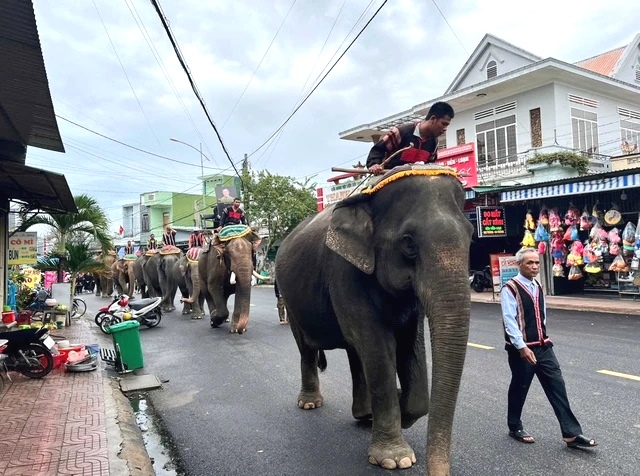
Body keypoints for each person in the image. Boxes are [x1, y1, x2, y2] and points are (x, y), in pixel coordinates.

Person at [500, 248, 597, 448]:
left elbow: (540, 315)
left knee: (557, 386)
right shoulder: (510, 288)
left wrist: (542, 335)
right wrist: (521, 347)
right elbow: (509, 321)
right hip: (522, 350)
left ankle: (571, 433)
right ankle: (514, 426)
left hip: (544, 346)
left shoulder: (538, 285)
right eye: (529, 263)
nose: (534, 266)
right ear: (519, 265)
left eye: (536, 263)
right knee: (520, 386)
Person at [366, 101, 454, 175]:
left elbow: (431, 164)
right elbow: (378, 150)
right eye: (444, 124)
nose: (445, 129)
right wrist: (375, 164)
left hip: (416, 181)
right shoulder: (401, 132)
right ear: (433, 119)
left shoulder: (434, 143)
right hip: (388, 177)